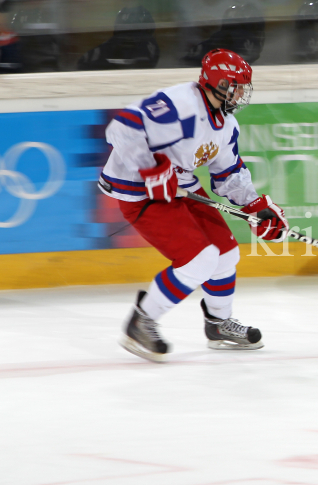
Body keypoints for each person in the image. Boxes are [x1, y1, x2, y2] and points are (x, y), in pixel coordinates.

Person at [98, 48, 288, 363]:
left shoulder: (226, 125)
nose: (242, 94)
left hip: (181, 186)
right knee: (200, 260)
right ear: (218, 84)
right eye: (236, 86)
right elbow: (123, 127)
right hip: (141, 192)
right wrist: (151, 167)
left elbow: (228, 175)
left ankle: (218, 325)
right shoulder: (181, 104)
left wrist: (256, 206)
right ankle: (141, 322)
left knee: (227, 254)